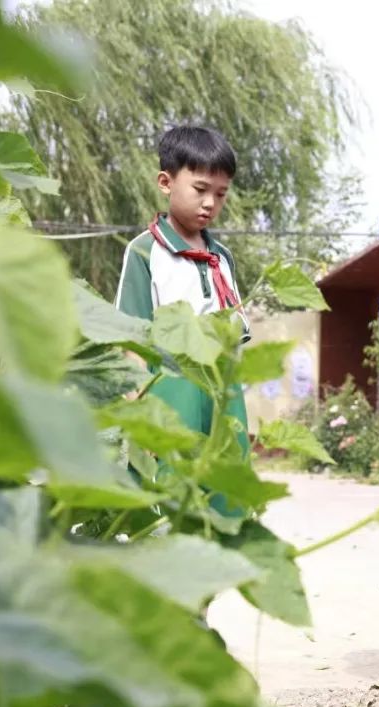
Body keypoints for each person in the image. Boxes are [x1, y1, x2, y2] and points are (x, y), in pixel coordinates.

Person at [115, 125, 251, 511]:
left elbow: (235, 339)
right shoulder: (145, 253)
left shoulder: (222, 258)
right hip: (171, 391)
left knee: (227, 492)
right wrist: (138, 411)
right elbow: (131, 337)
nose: (210, 203)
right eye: (200, 189)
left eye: (221, 195)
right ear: (166, 182)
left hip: (222, 393)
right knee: (170, 495)